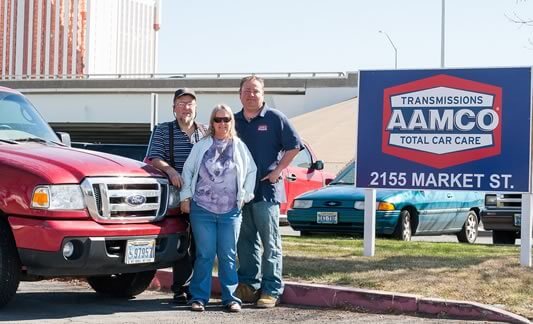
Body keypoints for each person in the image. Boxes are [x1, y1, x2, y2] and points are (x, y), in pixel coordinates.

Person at [180, 104, 257, 312]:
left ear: (232, 122)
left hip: (231, 211)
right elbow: (188, 171)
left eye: (226, 119)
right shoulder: (201, 146)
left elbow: (252, 171)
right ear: (212, 122)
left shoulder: (239, 146)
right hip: (202, 209)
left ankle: (231, 298)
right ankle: (199, 297)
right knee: (204, 254)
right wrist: (185, 197)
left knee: (228, 255)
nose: (222, 123)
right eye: (218, 119)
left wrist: (245, 196)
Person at [234, 76, 302, 308]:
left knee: (270, 243)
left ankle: (271, 289)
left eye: (255, 91)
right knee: (245, 243)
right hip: (241, 194)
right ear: (239, 94)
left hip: (267, 192)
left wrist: (278, 170)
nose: (251, 95)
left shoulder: (275, 118)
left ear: (263, 94)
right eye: (246, 91)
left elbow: (295, 145)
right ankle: (248, 287)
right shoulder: (233, 121)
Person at [145, 88, 208, 304]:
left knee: (201, 245)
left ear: (196, 108)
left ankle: (197, 289)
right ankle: (180, 288)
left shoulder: (205, 132)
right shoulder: (163, 130)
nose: (186, 107)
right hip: (177, 196)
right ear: (174, 108)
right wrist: (171, 171)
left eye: (190, 103)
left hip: (203, 197)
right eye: (181, 103)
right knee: (182, 243)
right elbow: (153, 158)